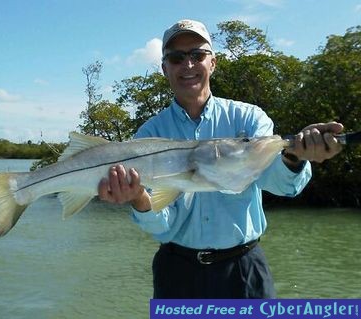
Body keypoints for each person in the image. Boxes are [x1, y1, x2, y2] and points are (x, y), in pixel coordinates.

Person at [98, 19, 343, 298]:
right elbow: (162, 227)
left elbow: (283, 185)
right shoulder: (148, 135)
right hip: (176, 272)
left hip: (244, 270)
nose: (188, 65)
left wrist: (294, 156)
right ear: (165, 69)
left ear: (212, 62)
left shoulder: (249, 118)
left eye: (197, 55)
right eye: (177, 58)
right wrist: (139, 199)